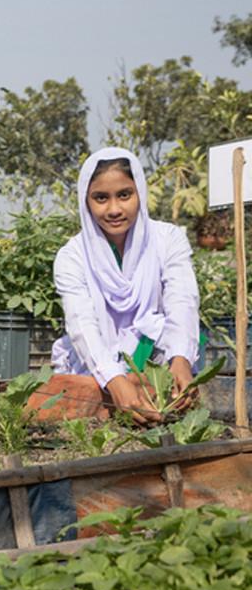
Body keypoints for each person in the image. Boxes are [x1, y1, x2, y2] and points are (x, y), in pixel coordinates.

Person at [51, 146, 200, 423]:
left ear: (139, 193)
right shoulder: (72, 256)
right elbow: (82, 325)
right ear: (86, 201)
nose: (114, 209)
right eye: (100, 198)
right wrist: (116, 381)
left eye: (124, 195)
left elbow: (182, 301)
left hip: (157, 353)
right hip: (96, 362)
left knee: (169, 386)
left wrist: (181, 358)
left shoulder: (168, 240)